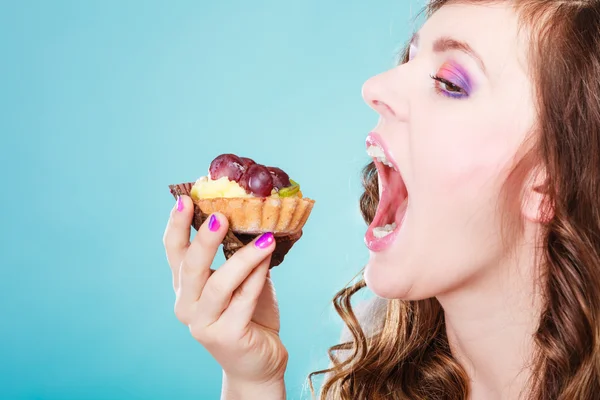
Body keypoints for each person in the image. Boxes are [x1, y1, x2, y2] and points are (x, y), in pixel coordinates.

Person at [162, 1, 600, 398]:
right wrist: (251, 378)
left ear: (550, 184)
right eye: (410, 57)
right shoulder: (370, 378)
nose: (375, 86)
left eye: (449, 82)